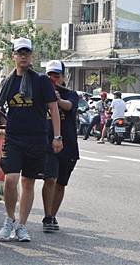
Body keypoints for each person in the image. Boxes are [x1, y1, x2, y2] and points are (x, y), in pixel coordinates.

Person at [0, 38, 62, 243]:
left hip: (37, 138)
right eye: (20, 53)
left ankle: (22, 226)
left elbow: (53, 108)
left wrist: (57, 136)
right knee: (10, 180)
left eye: (27, 53)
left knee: (28, 183)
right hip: (14, 138)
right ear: (13, 56)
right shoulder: (8, 82)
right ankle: (9, 219)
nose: (23, 56)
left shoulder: (41, 81)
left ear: (32, 56)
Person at [41, 60, 79, 233]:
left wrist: (57, 99)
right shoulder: (40, 93)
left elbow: (69, 106)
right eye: (49, 75)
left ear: (63, 77)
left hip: (68, 144)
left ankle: (53, 214)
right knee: (50, 178)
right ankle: (47, 216)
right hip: (48, 143)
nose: (53, 78)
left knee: (61, 183)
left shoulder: (71, 94)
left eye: (56, 75)